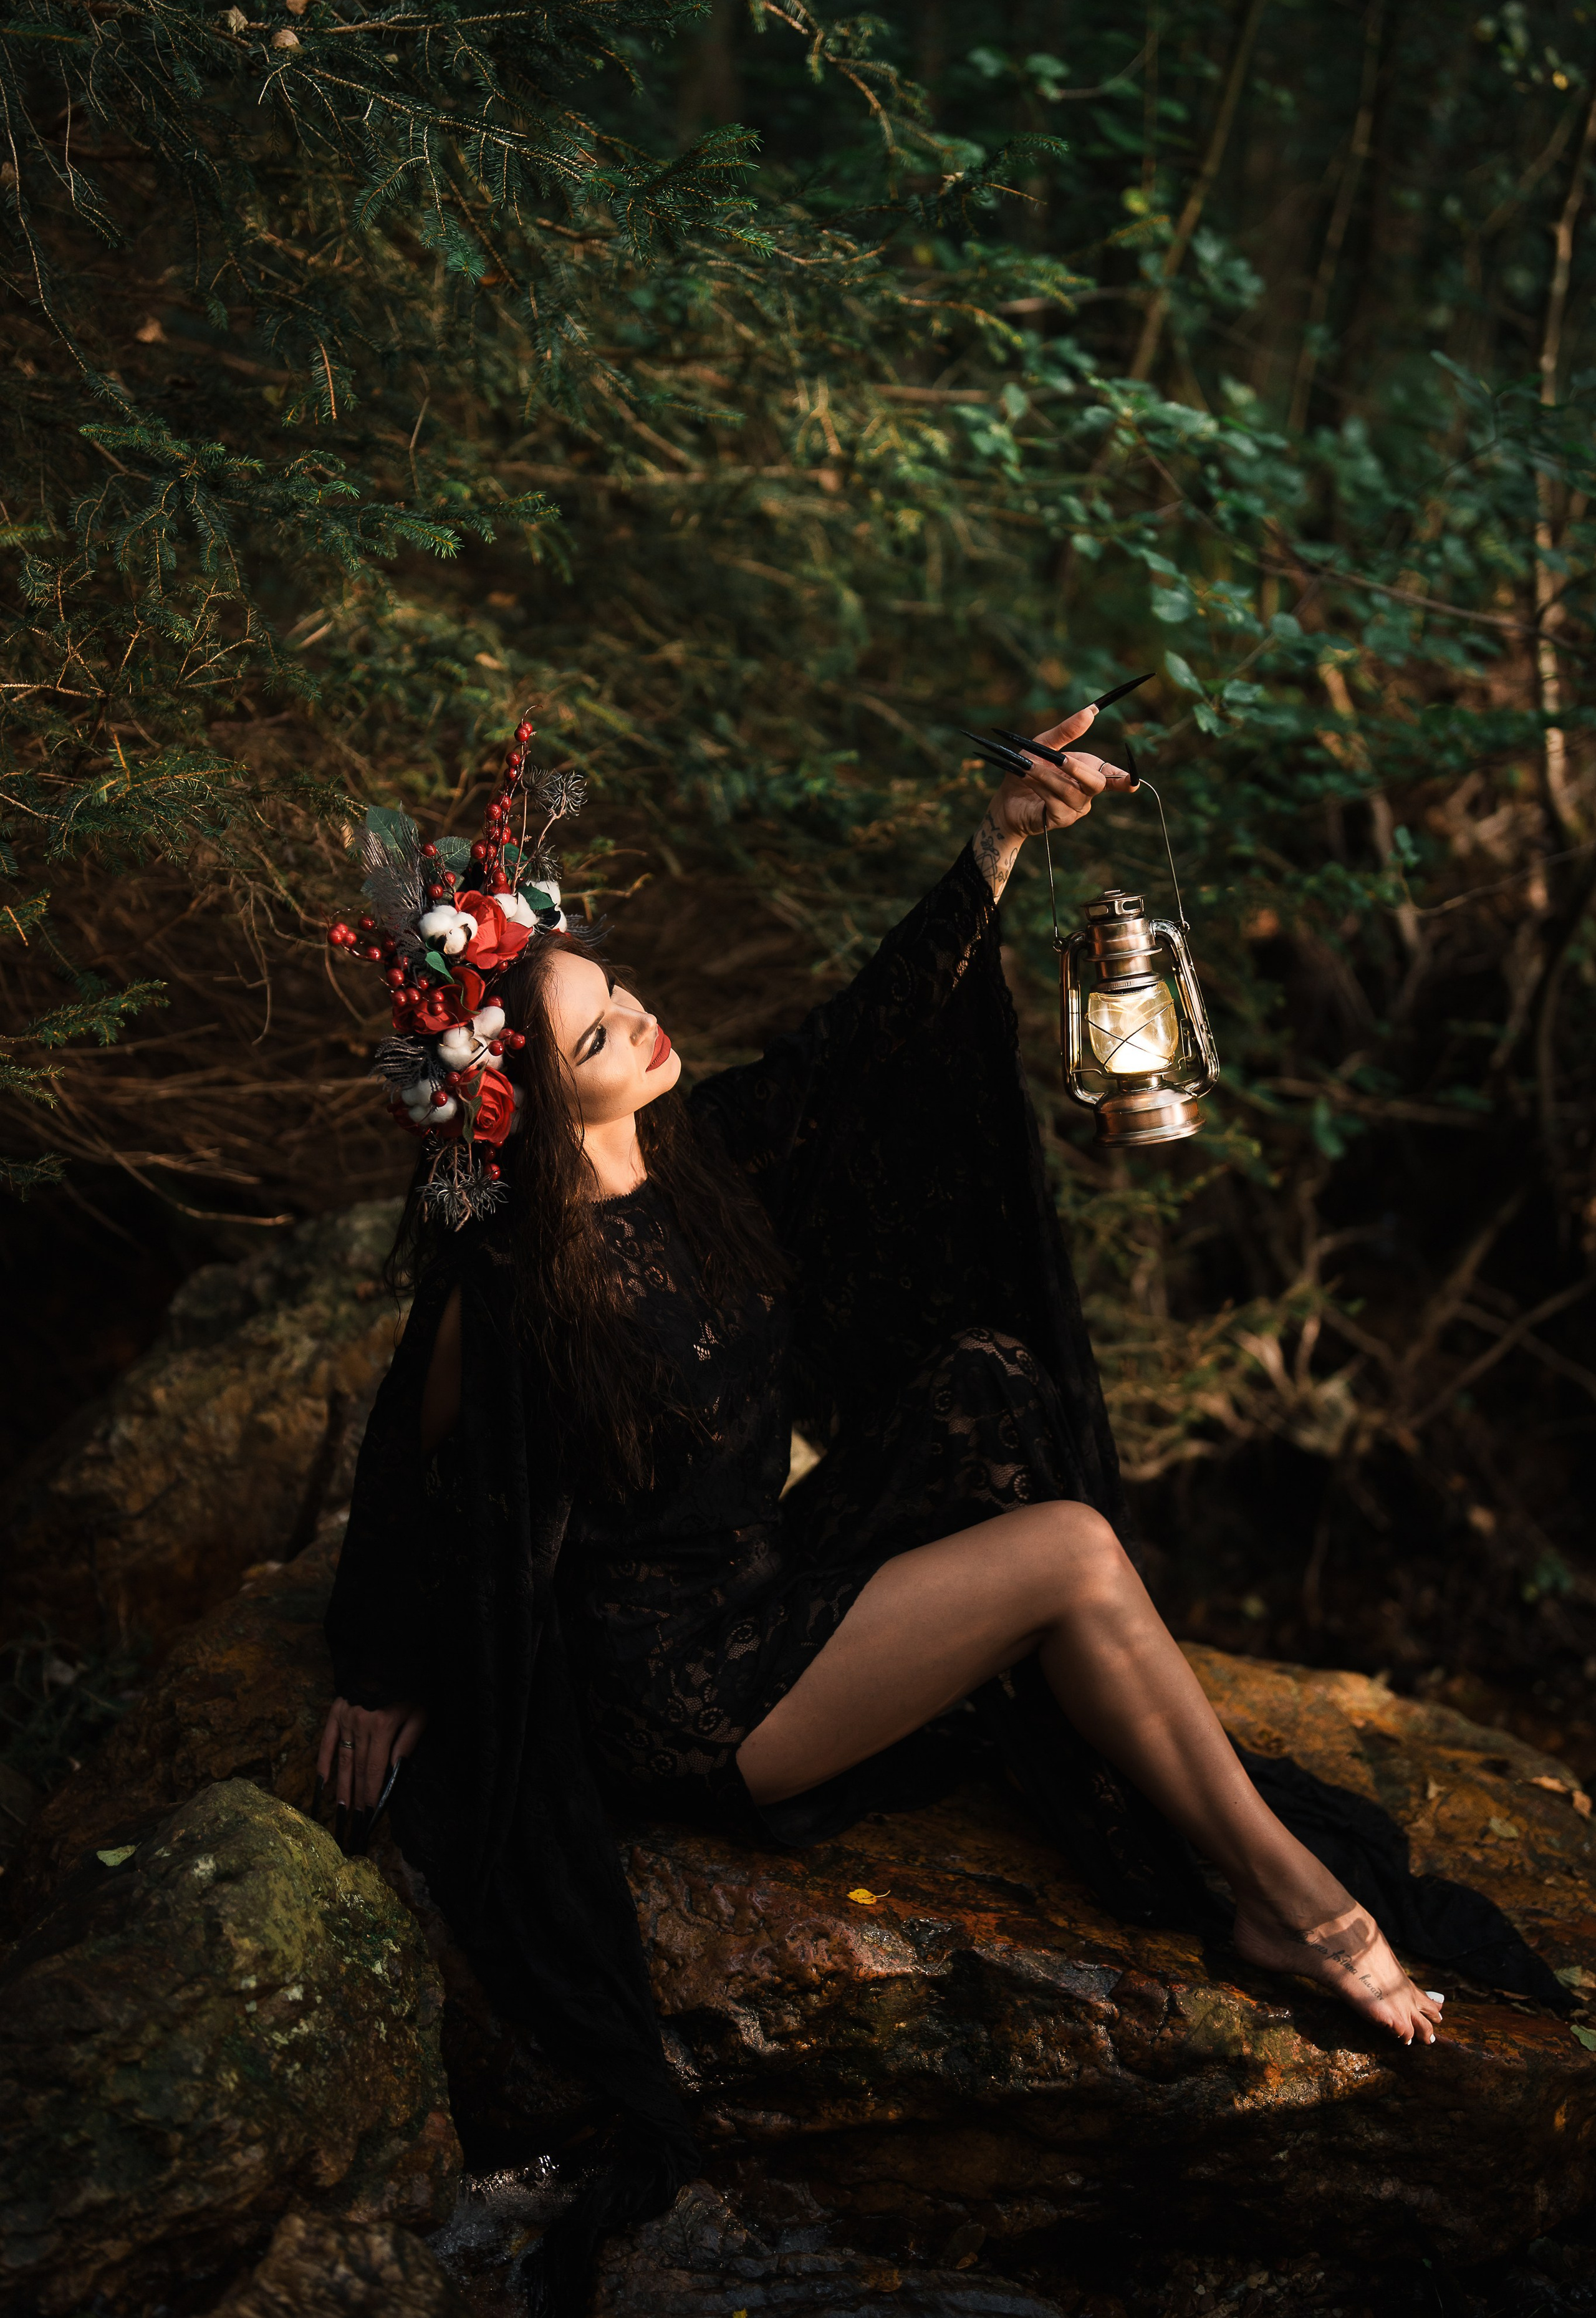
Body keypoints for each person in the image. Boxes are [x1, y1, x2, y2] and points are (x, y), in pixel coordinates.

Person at [317, 702, 1544, 2310]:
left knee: (983, 1381)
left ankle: (1227, 1842)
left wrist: (1004, 843)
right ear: (529, 1103)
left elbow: (865, 1040)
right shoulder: (518, 1287)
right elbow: (422, 1472)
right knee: (1072, 1552)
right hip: (688, 1694)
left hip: (761, 1589)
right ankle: (1296, 1912)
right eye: (603, 1034)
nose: (645, 1020)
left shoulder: (699, 1154)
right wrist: (382, 1664)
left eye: (620, 992)